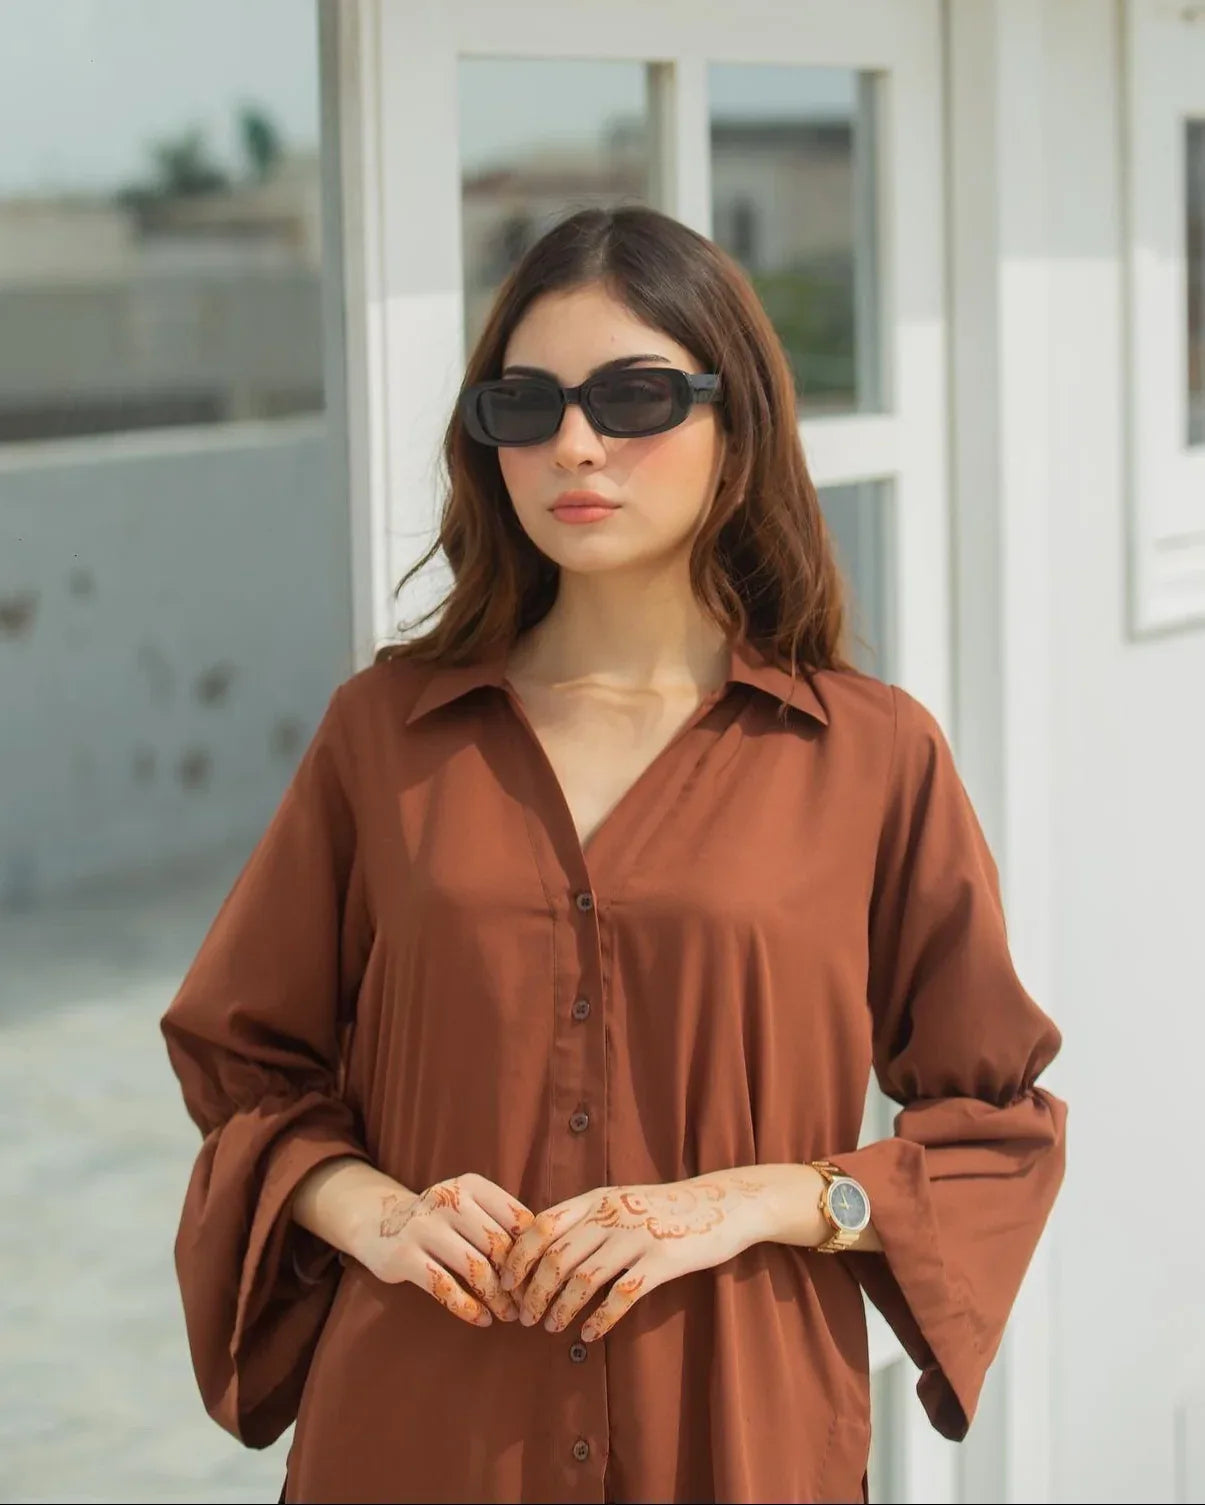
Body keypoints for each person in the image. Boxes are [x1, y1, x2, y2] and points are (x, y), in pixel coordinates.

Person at [161, 204, 1067, 1505]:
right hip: (421, 1431)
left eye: (634, 395)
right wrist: (377, 1211)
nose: (573, 443)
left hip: (735, 1435)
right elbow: (245, 1068)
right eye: (522, 405)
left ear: (736, 428)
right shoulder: (386, 735)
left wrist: (775, 1196)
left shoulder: (868, 755)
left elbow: (997, 1121)